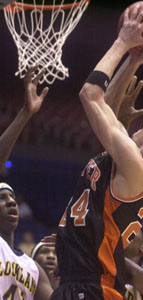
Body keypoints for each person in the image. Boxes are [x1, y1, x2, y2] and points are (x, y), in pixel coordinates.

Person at [52, 4, 143, 300]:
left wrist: (123, 41)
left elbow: (90, 95)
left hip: (92, 286)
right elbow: (106, 109)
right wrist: (133, 60)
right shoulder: (134, 166)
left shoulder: (138, 169)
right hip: (82, 283)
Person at [0, 67, 52, 300]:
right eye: (1, 199)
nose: (11, 203)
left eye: (12, 198)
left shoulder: (33, 268)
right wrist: (26, 113)